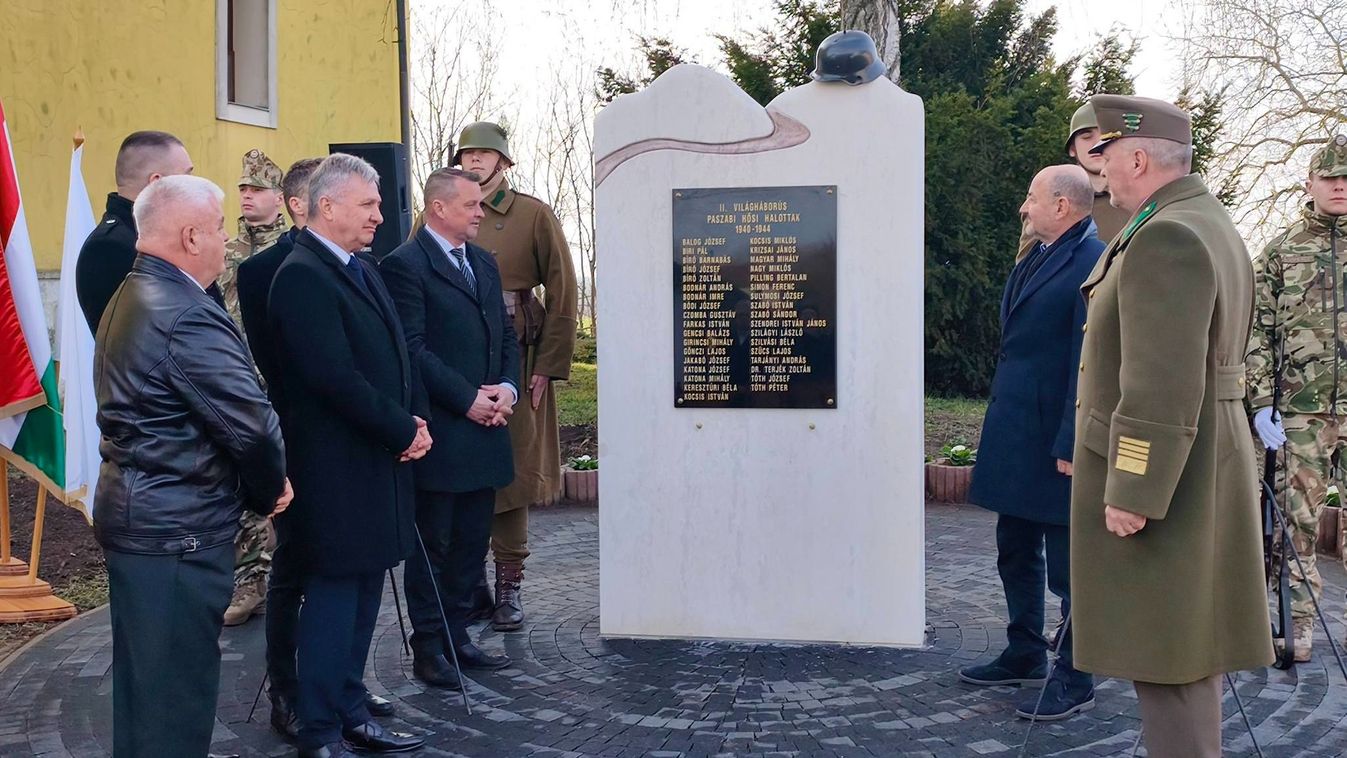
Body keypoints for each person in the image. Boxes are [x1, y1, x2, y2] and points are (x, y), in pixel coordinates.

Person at [1070, 94, 1272, 757]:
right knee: (1187, 649)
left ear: (1134, 156)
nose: (1098, 174)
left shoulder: (1164, 234)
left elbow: (1159, 380)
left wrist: (1131, 488)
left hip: (1169, 479)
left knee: (1170, 658)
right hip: (1203, 461)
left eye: (1103, 158)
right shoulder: (1198, 220)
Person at [92, 174, 290, 756]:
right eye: (221, 228)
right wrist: (269, 489)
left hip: (147, 516)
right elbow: (252, 426)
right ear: (190, 235)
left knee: (149, 694)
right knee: (173, 705)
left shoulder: (133, 292)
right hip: (175, 529)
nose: (227, 239)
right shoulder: (185, 312)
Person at [268, 154, 428, 758]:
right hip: (334, 473)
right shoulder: (304, 275)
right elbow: (332, 378)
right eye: (368, 205)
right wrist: (399, 429)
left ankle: (352, 711)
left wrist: (414, 422)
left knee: (364, 597)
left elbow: (395, 358)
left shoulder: (358, 268)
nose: (379, 217)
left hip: (375, 465)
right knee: (335, 602)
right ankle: (319, 731)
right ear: (326, 206)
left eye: (379, 205)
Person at [959, 165, 1104, 721]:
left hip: (1055, 442)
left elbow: (1085, 362)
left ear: (1063, 206)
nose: (1024, 207)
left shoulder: (1092, 261)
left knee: (1069, 567)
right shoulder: (1036, 254)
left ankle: (1076, 674)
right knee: (1014, 547)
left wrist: (1072, 440)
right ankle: (1025, 651)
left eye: (1031, 198)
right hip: (1017, 429)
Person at [381, 167, 519, 687]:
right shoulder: (405, 266)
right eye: (471, 205)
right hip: (443, 430)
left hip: (488, 427)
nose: (481, 212)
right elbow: (412, 350)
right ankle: (430, 648)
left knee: (469, 544)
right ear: (439, 208)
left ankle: (459, 637)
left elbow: (505, 334)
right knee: (433, 547)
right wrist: (467, 400)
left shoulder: (483, 262)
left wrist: (505, 388)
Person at [455, 121, 578, 631]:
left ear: (504, 162)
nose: (476, 161)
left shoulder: (533, 214)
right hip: (458, 359)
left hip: (521, 360)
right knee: (460, 468)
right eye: (468, 153)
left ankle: (509, 586)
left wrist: (549, 365)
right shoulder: (438, 213)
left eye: (486, 154)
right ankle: (469, 583)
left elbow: (563, 290)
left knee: (512, 472)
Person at [1246, 133, 1347, 662]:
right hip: (1302, 411)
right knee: (1297, 521)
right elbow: (1257, 330)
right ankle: (1297, 625)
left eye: (1346, 177)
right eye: (1329, 177)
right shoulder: (1283, 251)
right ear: (1309, 184)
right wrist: (1262, 400)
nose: (1339, 186)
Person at [222, 148, 292, 628]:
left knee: (291, 481)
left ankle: (291, 571)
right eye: (243, 188)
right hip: (237, 383)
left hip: (283, 383)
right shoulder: (224, 250)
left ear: (280, 197)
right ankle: (251, 581)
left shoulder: (294, 247)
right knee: (246, 480)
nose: (247, 196)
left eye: (257, 189)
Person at [75, 130, 198, 332]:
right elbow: (137, 338)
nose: (195, 185)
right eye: (187, 175)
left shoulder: (153, 236)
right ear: (157, 182)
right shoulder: (109, 249)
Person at [1063, 102, 1131, 243]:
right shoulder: (1052, 198)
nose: (1097, 144)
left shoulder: (1138, 196)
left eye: (1106, 136)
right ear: (1072, 149)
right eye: (1087, 137)